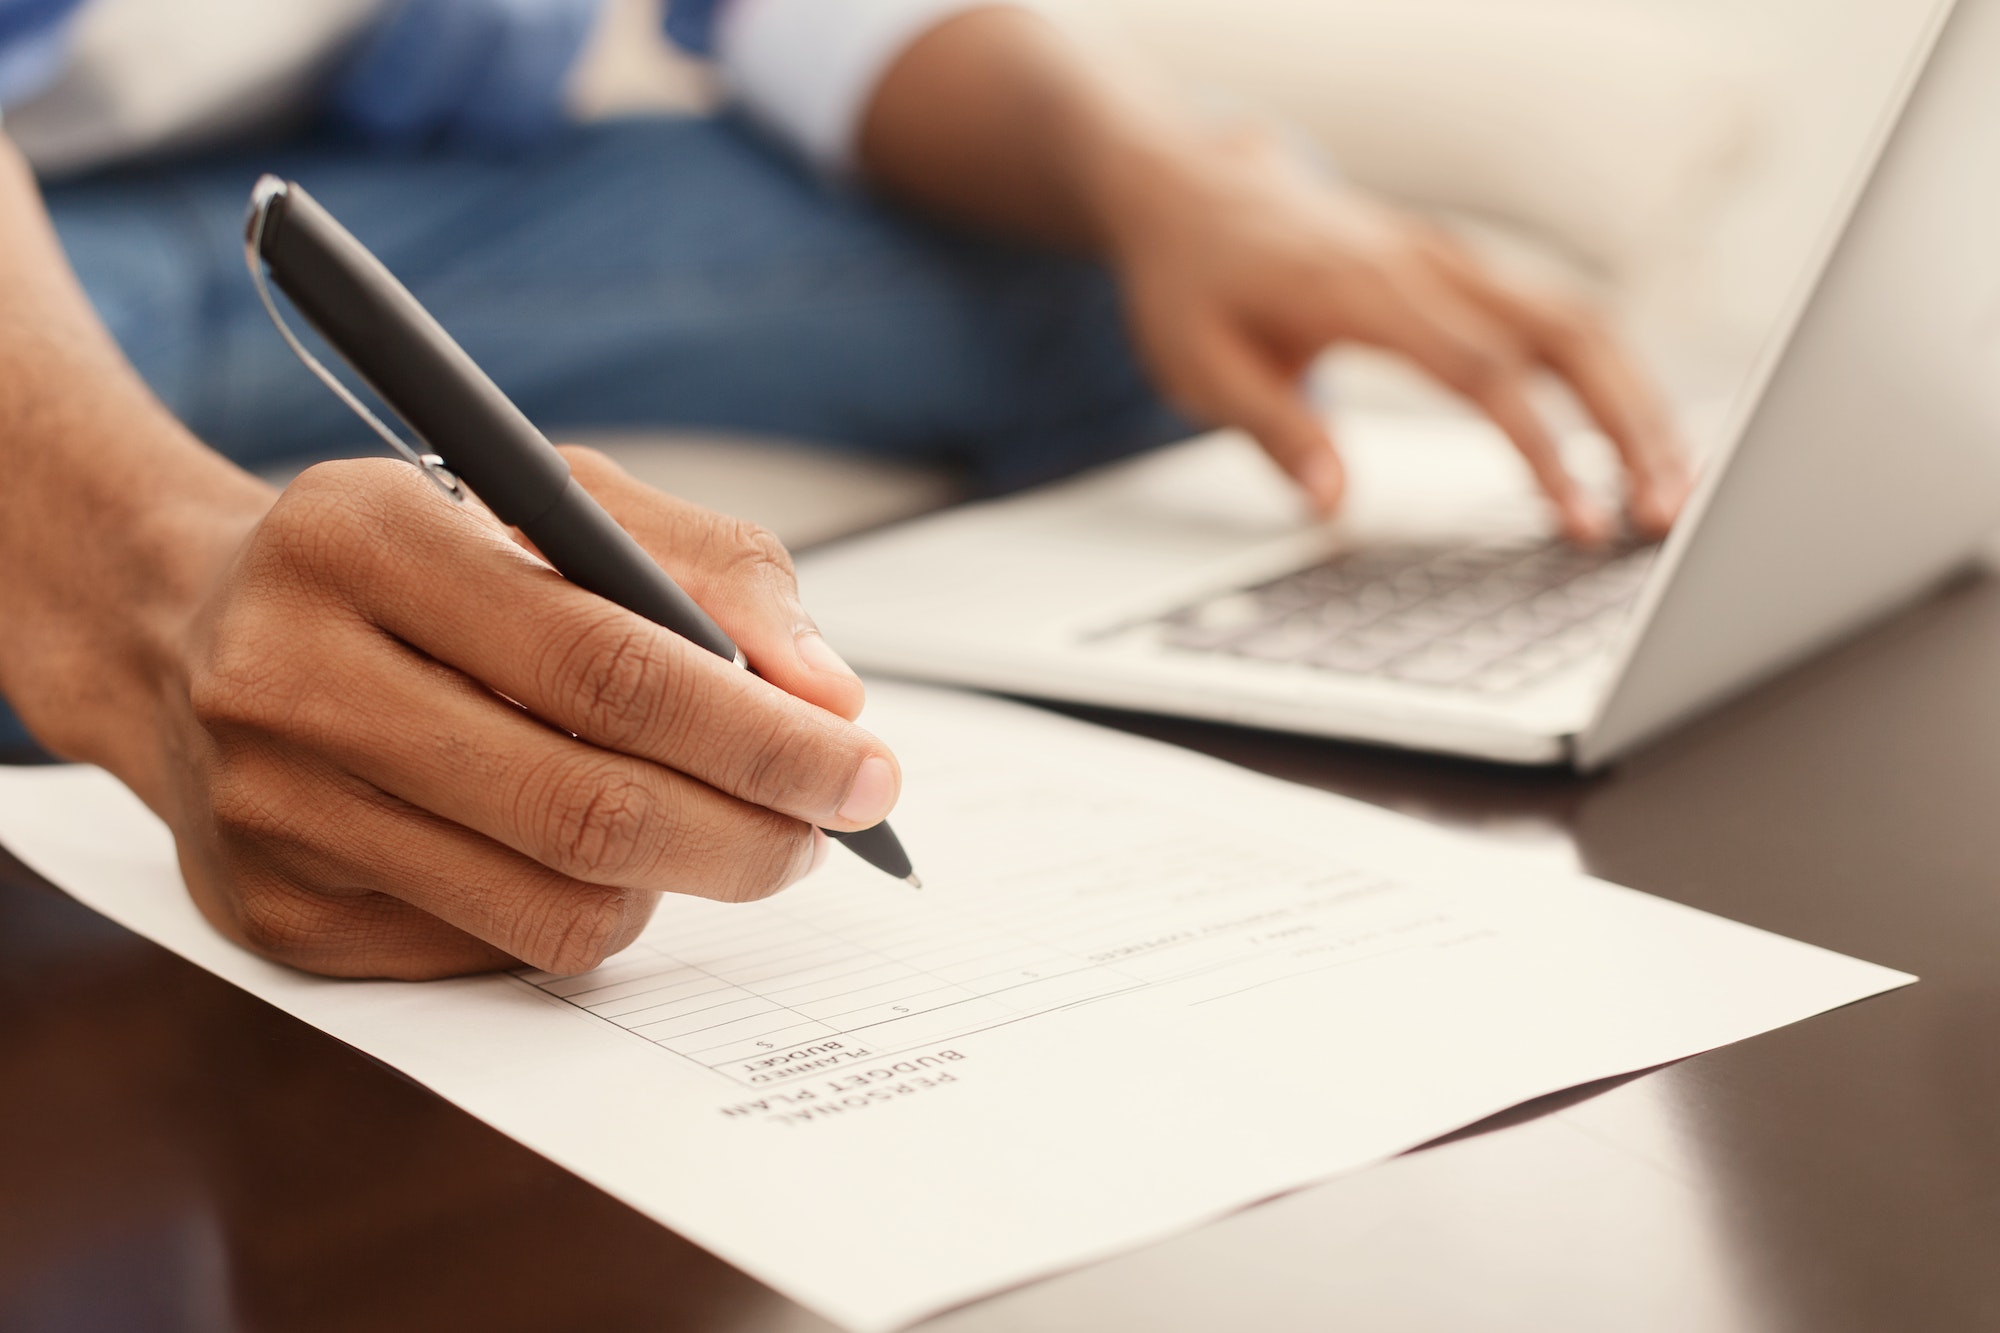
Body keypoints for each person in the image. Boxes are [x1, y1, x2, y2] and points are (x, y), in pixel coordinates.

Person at [0, 0, 1690, 980]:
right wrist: (150, 563)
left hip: (399, 178)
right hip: (47, 212)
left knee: (1146, 255)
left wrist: (1161, 167)